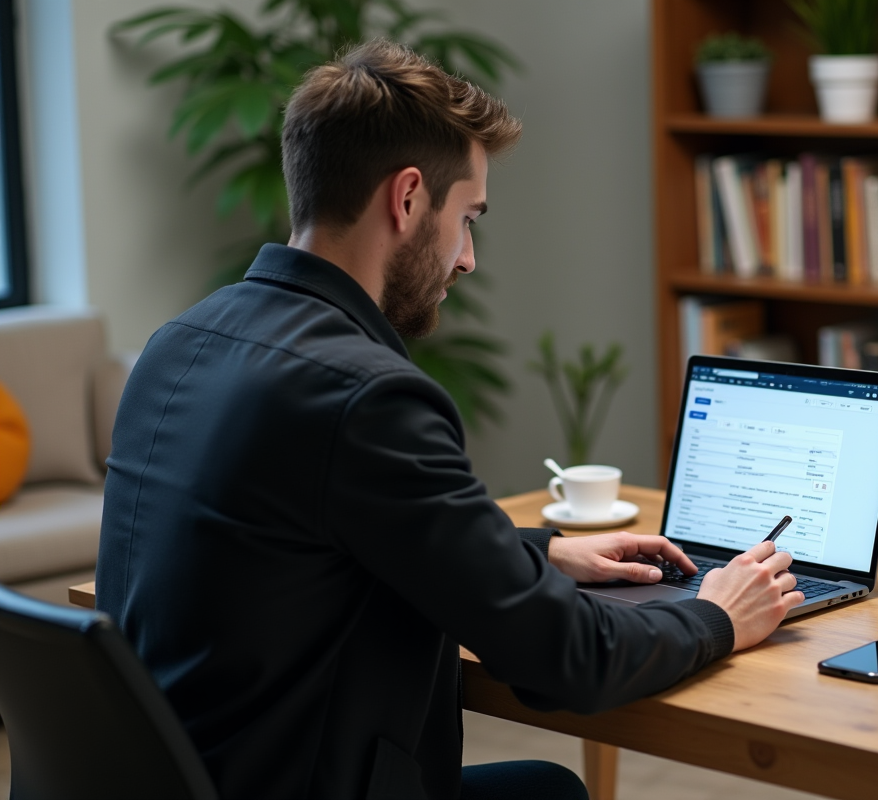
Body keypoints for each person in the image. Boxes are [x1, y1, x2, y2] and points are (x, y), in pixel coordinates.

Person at [95, 39, 805, 800]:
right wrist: (717, 616)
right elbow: (565, 660)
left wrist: (542, 553)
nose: (466, 259)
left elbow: (322, 537)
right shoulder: (366, 395)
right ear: (406, 200)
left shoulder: (179, 343)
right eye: (467, 217)